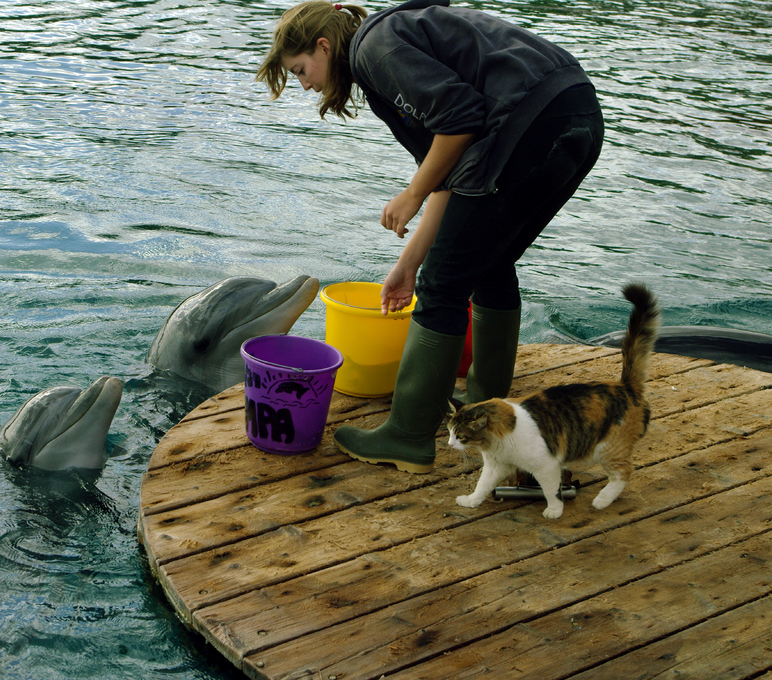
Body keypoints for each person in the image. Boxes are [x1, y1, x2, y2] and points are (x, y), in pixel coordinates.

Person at [257, 0, 605, 473]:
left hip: (530, 123)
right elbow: (453, 171)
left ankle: (407, 435)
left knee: (442, 288)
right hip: (576, 113)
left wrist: (410, 195)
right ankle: (486, 402)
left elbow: (459, 122)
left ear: (323, 46)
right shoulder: (389, 46)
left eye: (301, 70)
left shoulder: (372, 50)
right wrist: (407, 267)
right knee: (490, 262)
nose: (306, 84)